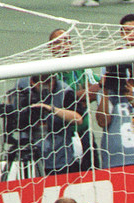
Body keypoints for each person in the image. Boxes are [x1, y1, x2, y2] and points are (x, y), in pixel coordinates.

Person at [0, 73, 83, 178]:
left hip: (56, 158)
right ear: (32, 82)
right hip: (28, 149)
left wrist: (49, 109)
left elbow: (78, 118)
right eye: (40, 85)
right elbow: (14, 107)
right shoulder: (22, 85)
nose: (44, 88)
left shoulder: (64, 91)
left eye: (48, 84)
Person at [48, 29, 100, 170]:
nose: (62, 45)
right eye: (57, 42)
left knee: (92, 174)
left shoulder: (80, 69)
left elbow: (99, 88)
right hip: (60, 137)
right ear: (50, 47)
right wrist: (81, 95)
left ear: (71, 44)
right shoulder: (48, 72)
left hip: (84, 132)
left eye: (65, 41)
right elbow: (61, 99)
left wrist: (76, 96)